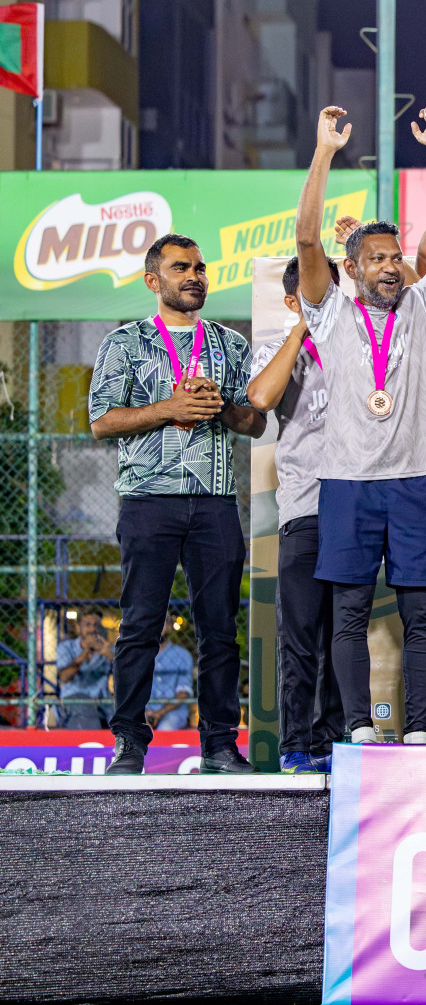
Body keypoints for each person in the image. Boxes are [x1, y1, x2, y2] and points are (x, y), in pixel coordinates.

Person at [295, 104, 426, 744]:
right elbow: (308, 240)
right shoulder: (331, 314)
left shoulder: (424, 308)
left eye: (395, 256)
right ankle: (359, 730)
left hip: (418, 478)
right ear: (353, 269)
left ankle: (420, 731)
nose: (391, 265)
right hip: (346, 480)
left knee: (423, 614)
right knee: (347, 613)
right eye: (376, 258)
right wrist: (323, 152)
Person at [88, 232, 265, 775]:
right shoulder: (124, 343)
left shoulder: (230, 344)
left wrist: (224, 410)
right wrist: (170, 407)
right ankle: (130, 744)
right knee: (141, 625)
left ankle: (217, 744)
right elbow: (101, 421)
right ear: (153, 280)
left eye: (200, 268)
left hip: (214, 503)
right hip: (147, 501)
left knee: (219, 628)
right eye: (181, 267)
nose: (194, 275)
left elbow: (254, 423)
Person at [247, 255, 347, 773]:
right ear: (293, 300)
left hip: (356, 508)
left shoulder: (358, 339)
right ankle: (296, 745)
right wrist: (304, 327)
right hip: (305, 508)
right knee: (301, 636)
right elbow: (260, 398)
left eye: (330, 289)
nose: (326, 298)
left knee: (344, 634)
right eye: (312, 292)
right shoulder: (277, 349)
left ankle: (337, 741)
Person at [54, 609, 114, 730]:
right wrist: (85, 652)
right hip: (75, 700)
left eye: (95, 625)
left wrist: (109, 655)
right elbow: (64, 677)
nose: (92, 629)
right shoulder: (66, 647)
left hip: (102, 702)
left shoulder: (108, 648)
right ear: (78, 628)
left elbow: (127, 676)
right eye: (87, 625)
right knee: (84, 710)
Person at [148, 618, 194, 730]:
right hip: (143, 710)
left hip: (173, 711)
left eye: (161, 624)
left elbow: (183, 692)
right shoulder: (138, 655)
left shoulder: (182, 655)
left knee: (166, 727)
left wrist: (159, 713)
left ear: (168, 626)